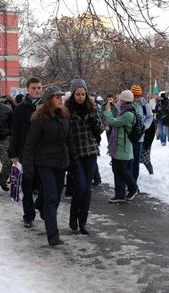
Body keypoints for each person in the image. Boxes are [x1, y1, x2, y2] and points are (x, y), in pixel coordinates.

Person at [22, 86, 77, 246]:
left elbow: (70, 141)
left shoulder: (64, 116)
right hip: (45, 162)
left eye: (61, 96)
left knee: (55, 196)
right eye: (56, 97)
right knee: (52, 197)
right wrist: (28, 168)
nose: (60, 99)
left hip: (61, 162)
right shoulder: (39, 119)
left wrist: (74, 163)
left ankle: (39, 204)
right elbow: (30, 145)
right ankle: (53, 235)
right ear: (48, 101)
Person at [65, 77, 104, 235]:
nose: (80, 96)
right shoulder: (67, 110)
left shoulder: (92, 108)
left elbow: (101, 129)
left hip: (90, 151)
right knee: (80, 186)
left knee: (87, 189)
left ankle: (82, 222)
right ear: (73, 94)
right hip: (76, 153)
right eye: (78, 94)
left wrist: (96, 124)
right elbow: (65, 132)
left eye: (83, 94)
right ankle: (73, 216)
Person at [10, 77, 43, 228]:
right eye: (34, 88)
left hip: (44, 152)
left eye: (39, 88)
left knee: (44, 183)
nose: (37, 90)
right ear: (28, 90)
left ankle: (41, 206)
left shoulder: (45, 107)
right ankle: (28, 215)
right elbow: (15, 132)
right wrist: (14, 153)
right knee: (27, 185)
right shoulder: (21, 108)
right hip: (26, 152)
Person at [103, 90, 138, 203]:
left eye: (120, 99)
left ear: (124, 100)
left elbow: (113, 122)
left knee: (121, 170)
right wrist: (114, 108)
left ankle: (133, 187)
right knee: (117, 170)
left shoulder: (128, 114)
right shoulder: (126, 110)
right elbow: (119, 118)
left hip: (122, 148)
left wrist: (108, 111)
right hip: (119, 147)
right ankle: (120, 194)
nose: (118, 100)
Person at [130, 84, 153, 183]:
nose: (136, 98)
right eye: (134, 96)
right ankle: (129, 182)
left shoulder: (144, 105)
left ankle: (133, 183)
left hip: (139, 138)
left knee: (135, 162)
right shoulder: (126, 103)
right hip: (127, 137)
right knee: (128, 161)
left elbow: (150, 116)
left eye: (138, 96)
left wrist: (144, 126)